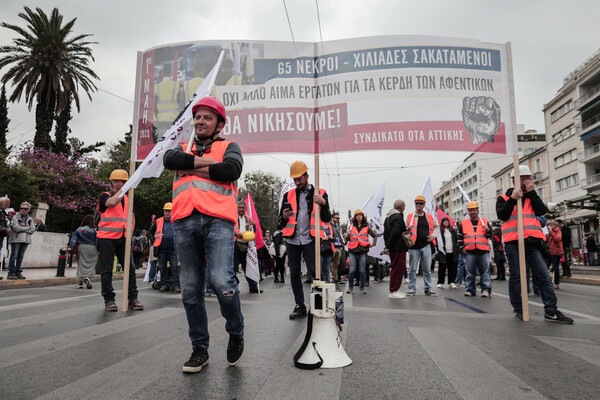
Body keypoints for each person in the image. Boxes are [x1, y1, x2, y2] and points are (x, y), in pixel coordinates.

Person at [163, 96, 244, 373]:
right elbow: (169, 160)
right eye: (198, 117)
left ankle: (235, 330)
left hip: (219, 220)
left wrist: (192, 164)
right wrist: (206, 164)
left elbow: (231, 170)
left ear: (219, 124)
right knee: (189, 289)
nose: (200, 121)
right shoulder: (180, 148)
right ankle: (200, 348)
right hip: (185, 220)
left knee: (222, 281)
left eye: (207, 117)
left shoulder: (229, 146)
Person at [496, 165, 573, 323]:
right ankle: (519, 308)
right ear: (515, 180)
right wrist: (513, 199)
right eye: (524, 179)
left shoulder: (532, 197)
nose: (527, 182)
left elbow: (540, 211)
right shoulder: (503, 198)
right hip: (513, 242)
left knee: (543, 275)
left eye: (528, 179)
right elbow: (502, 214)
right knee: (517, 276)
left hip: (532, 242)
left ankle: (551, 310)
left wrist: (531, 192)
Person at [278, 160, 331, 319]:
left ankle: (319, 305)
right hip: (292, 239)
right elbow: (280, 221)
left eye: (299, 179)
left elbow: (327, 218)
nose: (297, 182)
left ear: (307, 176)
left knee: (316, 273)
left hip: (311, 239)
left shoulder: (320, 192)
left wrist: (323, 203)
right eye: (294, 179)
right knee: (294, 273)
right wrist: (284, 216)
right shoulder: (289, 194)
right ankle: (299, 305)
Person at [96, 169, 144, 312]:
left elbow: (132, 218)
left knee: (130, 270)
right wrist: (124, 189)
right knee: (106, 271)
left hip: (123, 238)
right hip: (106, 239)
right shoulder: (104, 196)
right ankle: (109, 300)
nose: (124, 183)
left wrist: (129, 234)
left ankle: (133, 298)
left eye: (125, 181)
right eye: (121, 181)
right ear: (113, 182)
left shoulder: (129, 199)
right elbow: (111, 203)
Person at [406, 195, 439, 296]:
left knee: (427, 269)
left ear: (424, 205)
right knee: (412, 269)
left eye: (420, 203)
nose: (418, 205)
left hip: (426, 245)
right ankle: (412, 289)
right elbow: (405, 231)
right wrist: (407, 228)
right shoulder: (410, 217)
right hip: (413, 247)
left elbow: (436, 227)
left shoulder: (429, 217)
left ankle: (428, 288)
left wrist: (433, 235)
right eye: (416, 203)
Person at [457, 201, 493, 297]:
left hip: (483, 250)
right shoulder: (463, 223)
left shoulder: (484, 222)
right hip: (469, 251)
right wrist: (462, 248)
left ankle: (485, 290)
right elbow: (459, 237)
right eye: (470, 210)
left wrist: (488, 230)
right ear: (468, 211)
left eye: (474, 210)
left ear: (477, 210)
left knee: (485, 272)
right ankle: (470, 289)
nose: (472, 212)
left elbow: (491, 235)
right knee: (470, 272)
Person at [149, 202, 180, 293]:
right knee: (162, 268)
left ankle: (175, 285)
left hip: (174, 249)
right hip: (161, 249)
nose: (167, 213)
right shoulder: (158, 221)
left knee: (174, 268)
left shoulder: (176, 221)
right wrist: (153, 242)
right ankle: (164, 285)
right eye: (166, 211)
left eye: (169, 211)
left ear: (172, 211)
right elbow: (150, 231)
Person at [344, 210, 377, 294]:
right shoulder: (351, 226)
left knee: (362, 270)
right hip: (352, 250)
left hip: (362, 250)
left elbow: (374, 235)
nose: (359, 216)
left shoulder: (366, 227)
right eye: (357, 215)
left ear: (363, 217)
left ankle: (362, 288)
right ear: (355, 217)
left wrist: (374, 243)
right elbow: (347, 239)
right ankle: (350, 288)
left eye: (360, 215)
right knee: (352, 270)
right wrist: (347, 235)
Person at [234, 200, 260, 293]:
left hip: (246, 245)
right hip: (235, 244)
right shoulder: (232, 216)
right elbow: (228, 228)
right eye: (239, 207)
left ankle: (253, 286)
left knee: (248, 266)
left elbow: (253, 231)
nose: (241, 209)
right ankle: (234, 287)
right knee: (233, 267)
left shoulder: (249, 218)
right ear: (237, 208)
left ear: (245, 208)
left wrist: (254, 225)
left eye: (242, 207)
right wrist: (236, 233)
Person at [384, 199, 408, 299]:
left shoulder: (388, 217)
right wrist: (388, 246)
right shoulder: (398, 217)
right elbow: (395, 232)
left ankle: (395, 289)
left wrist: (388, 245)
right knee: (398, 269)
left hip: (393, 247)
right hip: (398, 247)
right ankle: (393, 290)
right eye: (404, 205)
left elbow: (386, 233)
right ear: (401, 207)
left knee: (396, 268)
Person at [7, 202, 35, 279]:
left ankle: (18, 272)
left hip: (26, 240)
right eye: (21, 208)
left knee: (20, 256)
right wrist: (27, 228)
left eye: (25, 209)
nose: (23, 210)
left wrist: (22, 228)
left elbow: (33, 229)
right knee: (14, 256)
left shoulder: (30, 219)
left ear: (28, 210)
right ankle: (11, 273)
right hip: (16, 239)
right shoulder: (15, 217)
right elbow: (16, 228)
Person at [69, 215, 97, 289]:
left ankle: (80, 282)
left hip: (82, 247)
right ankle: (88, 277)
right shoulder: (95, 230)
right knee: (91, 264)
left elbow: (73, 240)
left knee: (81, 263)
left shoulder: (80, 229)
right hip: (93, 248)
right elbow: (99, 239)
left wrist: (71, 248)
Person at [436, 217, 458, 289]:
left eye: (447, 221)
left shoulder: (453, 231)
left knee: (452, 268)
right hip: (443, 252)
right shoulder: (440, 232)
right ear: (442, 223)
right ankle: (440, 282)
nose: (446, 222)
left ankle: (451, 282)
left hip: (452, 252)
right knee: (442, 268)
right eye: (444, 221)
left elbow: (456, 240)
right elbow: (437, 241)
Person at [546, 219, 563, 290]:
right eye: (547, 225)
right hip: (549, 251)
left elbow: (558, 239)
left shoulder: (558, 230)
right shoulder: (548, 232)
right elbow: (545, 240)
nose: (549, 226)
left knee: (555, 268)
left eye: (550, 224)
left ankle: (556, 283)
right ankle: (546, 281)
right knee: (545, 267)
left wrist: (551, 232)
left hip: (556, 252)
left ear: (553, 225)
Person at [329, 212, 345, 284]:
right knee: (331, 264)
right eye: (336, 218)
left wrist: (341, 245)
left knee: (337, 264)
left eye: (338, 218)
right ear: (332, 218)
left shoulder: (338, 227)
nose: (338, 219)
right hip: (332, 246)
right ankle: (332, 278)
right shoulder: (329, 226)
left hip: (339, 247)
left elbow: (340, 237)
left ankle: (336, 279)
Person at [0, 197, 11, 280]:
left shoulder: (4, 213)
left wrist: (8, 228)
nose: (8, 205)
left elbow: (5, 223)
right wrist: (5, 229)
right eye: (6, 203)